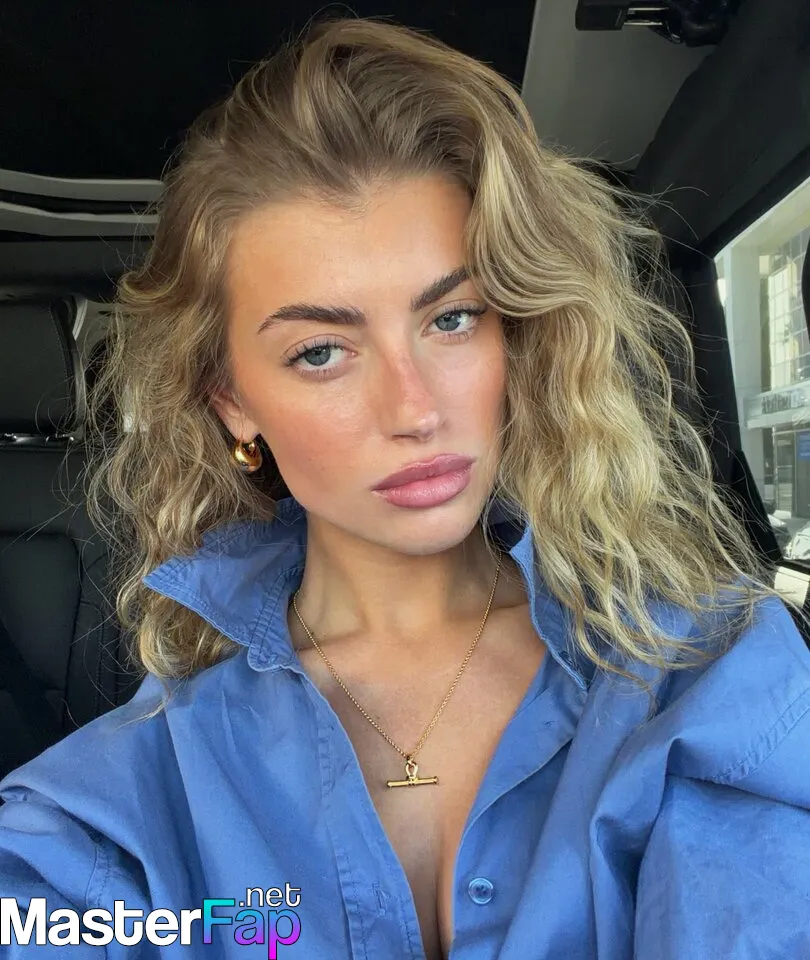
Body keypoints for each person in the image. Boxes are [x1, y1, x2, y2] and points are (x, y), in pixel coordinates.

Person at [1, 14, 809, 960]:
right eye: (321, 351)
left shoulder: (705, 670)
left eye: (453, 318)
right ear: (233, 403)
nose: (416, 408)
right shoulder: (114, 809)